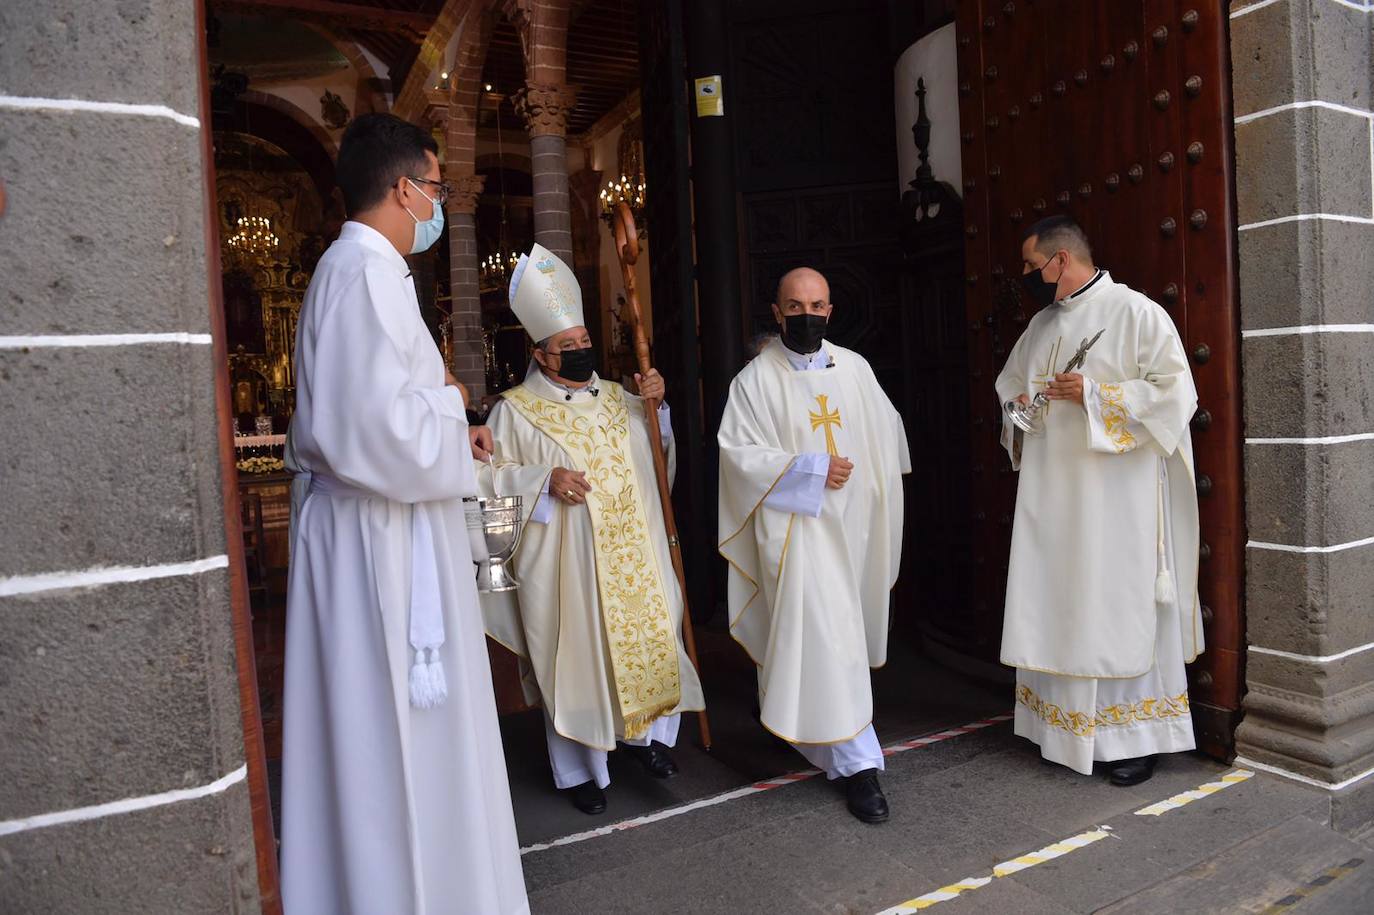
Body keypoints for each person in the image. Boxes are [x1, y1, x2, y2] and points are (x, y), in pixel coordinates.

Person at [279, 113, 528, 914]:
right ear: (402, 188)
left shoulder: (373, 273)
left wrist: (449, 419)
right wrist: (452, 407)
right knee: (389, 741)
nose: (440, 204)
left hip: (393, 529)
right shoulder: (362, 274)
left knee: (416, 745)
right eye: (438, 187)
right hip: (377, 541)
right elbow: (377, 432)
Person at [480, 244, 705, 815]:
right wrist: (543, 480)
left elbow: (658, 466)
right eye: (568, 346)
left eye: (585, 342)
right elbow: (485, 481)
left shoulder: (621, 398)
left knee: (650, 639)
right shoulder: (513, 411)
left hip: (637, 559)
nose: (581, 351)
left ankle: (647, 741)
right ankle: (580, 771)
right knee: (577, 660)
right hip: (568, 570)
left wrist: (658, 410)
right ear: (540, 354)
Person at [996, 215, 1203, 786]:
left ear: (1060, 260)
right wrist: (1020, 406)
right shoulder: (1041, 325)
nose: (1026, 275)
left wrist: (1094, 394)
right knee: (1062, 599)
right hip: (1053, 496)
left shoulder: (1137, 313)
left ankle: (1135, 738)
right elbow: (1010, 386)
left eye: (1031, 265)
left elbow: (1176, 395)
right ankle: (1059, 729)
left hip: (1116, 500)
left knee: (1115, 604)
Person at [717, 267, 911, 823]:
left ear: (831, 310)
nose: (808, 315)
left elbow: (889, 435)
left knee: (830, 639)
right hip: (798, 534)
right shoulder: (754, 382)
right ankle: (859, 764)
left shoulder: (855, 369)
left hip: (855, 527)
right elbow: (738, 457)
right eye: (796, 306)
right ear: (777, 312)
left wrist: (869, 485)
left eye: (817, 305)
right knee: (828, 637)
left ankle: (799, 726)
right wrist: (809, 468)